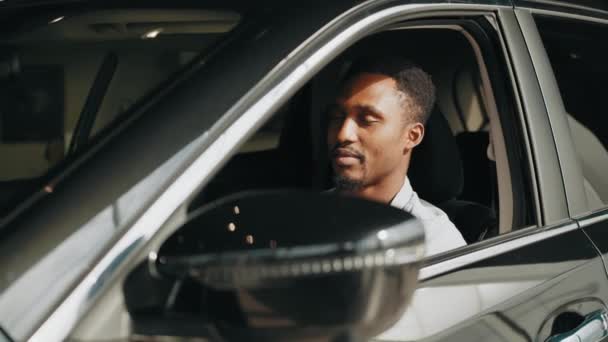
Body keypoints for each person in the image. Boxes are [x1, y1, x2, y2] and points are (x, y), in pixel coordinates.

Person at [327, 56, 466, 256]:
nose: (343, 134)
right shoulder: (304, 216)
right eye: (338, 117)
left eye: (367, 120)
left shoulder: (435, 244)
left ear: (412, 136)